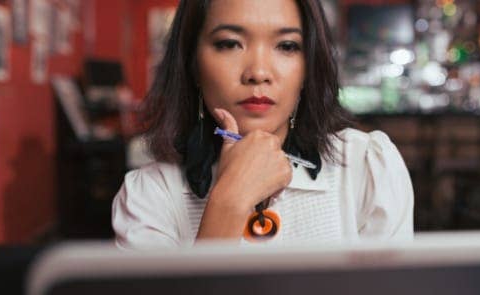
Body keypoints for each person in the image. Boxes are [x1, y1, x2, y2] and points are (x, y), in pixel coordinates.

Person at [112, 0, 414, 249]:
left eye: (286, 45)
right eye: (230, 43)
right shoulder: (150, 195)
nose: (258, 72)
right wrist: (229, 201)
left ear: (308, 66)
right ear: (193, 65)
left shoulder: (366, 168)